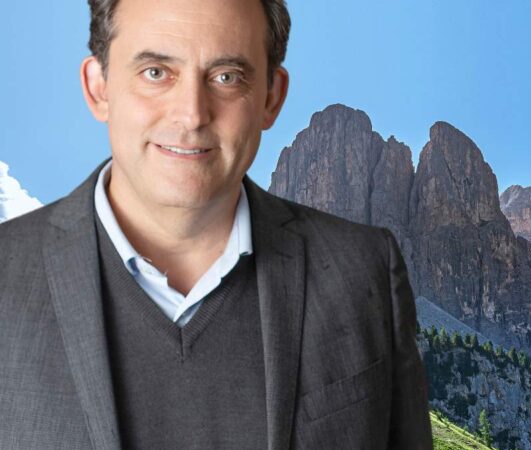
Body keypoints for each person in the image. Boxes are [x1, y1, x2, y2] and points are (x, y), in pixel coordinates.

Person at [0, 0, 433, 448]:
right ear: (98, 88)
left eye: (227, 77)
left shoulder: (364, 271)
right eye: (155, 72)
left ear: (271, 97)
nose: (191, 114)